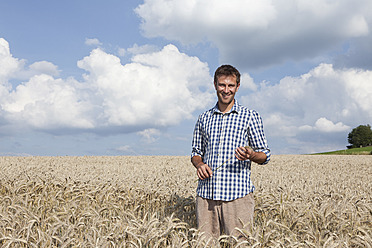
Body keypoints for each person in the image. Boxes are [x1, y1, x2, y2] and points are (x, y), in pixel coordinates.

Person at [191, 64, 270, 238]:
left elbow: (264, 154)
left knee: (241, 243)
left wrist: (251, 155)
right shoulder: (203, 118)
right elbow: (195, 153)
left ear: (237, 87)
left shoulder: (250, 116)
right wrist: (200, 164)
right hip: (206, 196)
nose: (226, 90)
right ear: (215, 84)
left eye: (231, 86)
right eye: (222, 85)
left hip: (238, 197)